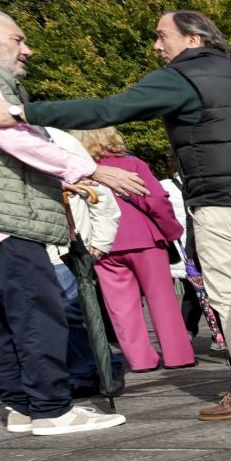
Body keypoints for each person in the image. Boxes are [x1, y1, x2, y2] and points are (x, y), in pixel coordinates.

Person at [0, 9, 231, 420]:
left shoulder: (183, 77)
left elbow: (108, 110)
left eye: (161, 35)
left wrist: (21, 112)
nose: (156, 45)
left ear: (193, 39)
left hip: (222, 204)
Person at [0, 6, 141, 434]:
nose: (27, 50)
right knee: (37, 314)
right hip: (6, 217)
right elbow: (13, 138)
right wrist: (87, 169)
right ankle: (52, 409)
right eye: (17, 39)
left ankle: (21, 407)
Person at [71, 128, 194, 369]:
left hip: (103, 243)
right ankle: (178, 355)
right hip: (145, 238)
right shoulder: (132, 164)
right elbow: (156, 199)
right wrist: (172, 231)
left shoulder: (79, 170)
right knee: (162, 300)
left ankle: (140, 360)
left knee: (121, 306)